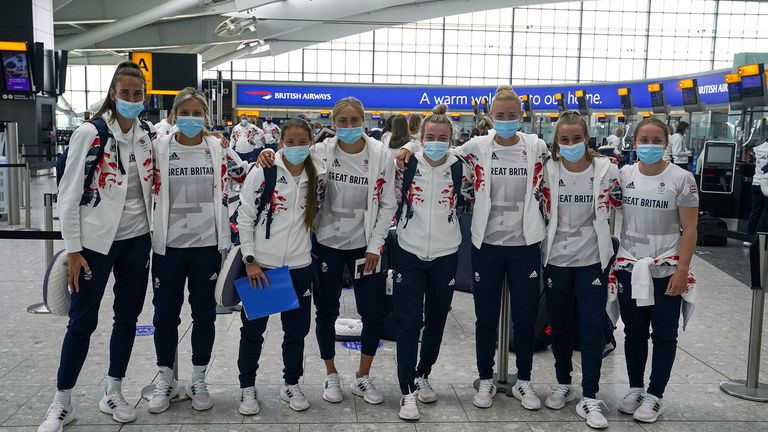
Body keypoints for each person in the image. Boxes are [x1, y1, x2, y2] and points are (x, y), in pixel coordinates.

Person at [397, 85, 549, 410]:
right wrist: (409, 148)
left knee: (524, 317)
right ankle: (485, 378)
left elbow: (561, 165)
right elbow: (435, 146)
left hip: (525, 244)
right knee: (485, 317)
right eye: (500, 115)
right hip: (486, 244)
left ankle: (524, 380)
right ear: (491, 116)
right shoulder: (477, 146)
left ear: (520, 116)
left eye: (512, 115)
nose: (506, 120)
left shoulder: (536, 147)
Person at [257, 96, 396, 405]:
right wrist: (269, 152)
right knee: (326, 312)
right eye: (342, 122)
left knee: (372, 313)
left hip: (364, 248)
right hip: (326, 245)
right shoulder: (321, 152)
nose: (348, 127)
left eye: (354, 121)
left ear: (364, 121)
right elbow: (291, 155)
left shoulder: (381, 156)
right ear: (334, 124)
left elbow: (388, 204)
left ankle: (363, 377)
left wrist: (375, 245)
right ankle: (331, 374)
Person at [41, 62, 156, 432]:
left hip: (137, 241)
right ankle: (62, 402)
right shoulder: (90, 133)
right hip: (94, 245)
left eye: (138, 94)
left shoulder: (147, 134)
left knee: (127, 318)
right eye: (125, 93)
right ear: (112, 94)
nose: (132, 100)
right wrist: (73, 249)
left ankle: (113, 390)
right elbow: (69, 194)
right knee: (82, 322)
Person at [146, 87, 249, 414]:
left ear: (206, 116)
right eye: (185, 113)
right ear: (174, 115)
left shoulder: (218, 148)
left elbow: (244, 174)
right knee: (165, 316)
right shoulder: (158, 148)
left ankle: (199, 378)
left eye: (197, 113)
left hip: (207, 247)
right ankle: (165, 379)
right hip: (169, 247)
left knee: (204, 315)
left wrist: (262, 156)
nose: (191, 119)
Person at [236, 119, 325, 414]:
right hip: (265, 266)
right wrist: (250, 259)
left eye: (303, 142)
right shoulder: (265, 169)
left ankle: (292, 383)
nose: (297, 147)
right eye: (291, 142)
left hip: (299, 266)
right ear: (280, 142)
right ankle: (247, 387)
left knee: (296, 332)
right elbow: (245, 216)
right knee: (253, 332)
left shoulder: (317, 172)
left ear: (310, 142)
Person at [613, 117, 698, 423]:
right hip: (630, 266)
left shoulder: (682, 179)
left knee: (663, 334)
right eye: (643, 139)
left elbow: (689, 229)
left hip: (667, 267)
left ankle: (655, 394)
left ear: (666, 143)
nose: (649, 145)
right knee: (634, 331)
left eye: (656, 140)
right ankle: (635, 387)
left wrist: (683, 269)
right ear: (634, 143)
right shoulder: (623, 175)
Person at [540, 112, 621, 429]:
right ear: (557, 142)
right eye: (564, 139)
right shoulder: (548, 170)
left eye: (576, 138)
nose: (571, 144)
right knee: (559, 326)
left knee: (590, 328)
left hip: (592, 260)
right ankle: (563, 382)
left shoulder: (605, 169)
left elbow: (620, 203)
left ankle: (590, 395)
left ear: (587, 139)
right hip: (557, 259)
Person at [391, 104, 471, 420]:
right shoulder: (405, 165)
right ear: (420, 137)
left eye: (442, 137)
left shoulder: (461, 168)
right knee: (409, 321)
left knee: (437, 318)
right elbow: (389, 199)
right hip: (409, 251)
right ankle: (407, 389)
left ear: (452, 139)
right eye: (430, 136)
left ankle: (424, 373)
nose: (436, 141)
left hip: (446, 254)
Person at [746, 139, 768, 246]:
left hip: (755, 183)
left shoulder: (758, 149)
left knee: (755, 212)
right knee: (766, 213)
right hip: (766, 184)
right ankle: (763, 239)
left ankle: (748, 237)